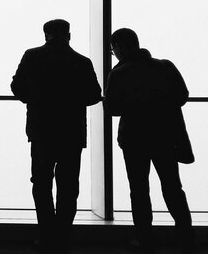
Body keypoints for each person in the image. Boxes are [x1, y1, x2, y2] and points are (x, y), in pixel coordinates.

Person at [11, 19, 102, 252]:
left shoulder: (32, 57)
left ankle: (47, 234)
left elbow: (17, 87)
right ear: (68, 35)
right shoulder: (81, 62)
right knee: (68, 184)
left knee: (41, 183)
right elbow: (93, 95)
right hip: (71, 132)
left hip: (42, 130)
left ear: (45, 35)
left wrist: (35, 98)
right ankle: (63, 235)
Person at [105, 28, 194, 254]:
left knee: (139, 190)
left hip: (134, 139)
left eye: (113, 49)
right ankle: (186, 238)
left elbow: (112, 108)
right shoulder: (164, 67)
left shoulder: (120, 73)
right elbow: (182, 96)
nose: (113, 53)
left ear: (120, 47)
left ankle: (145, 239)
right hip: (165, 136)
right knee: (173, 187)